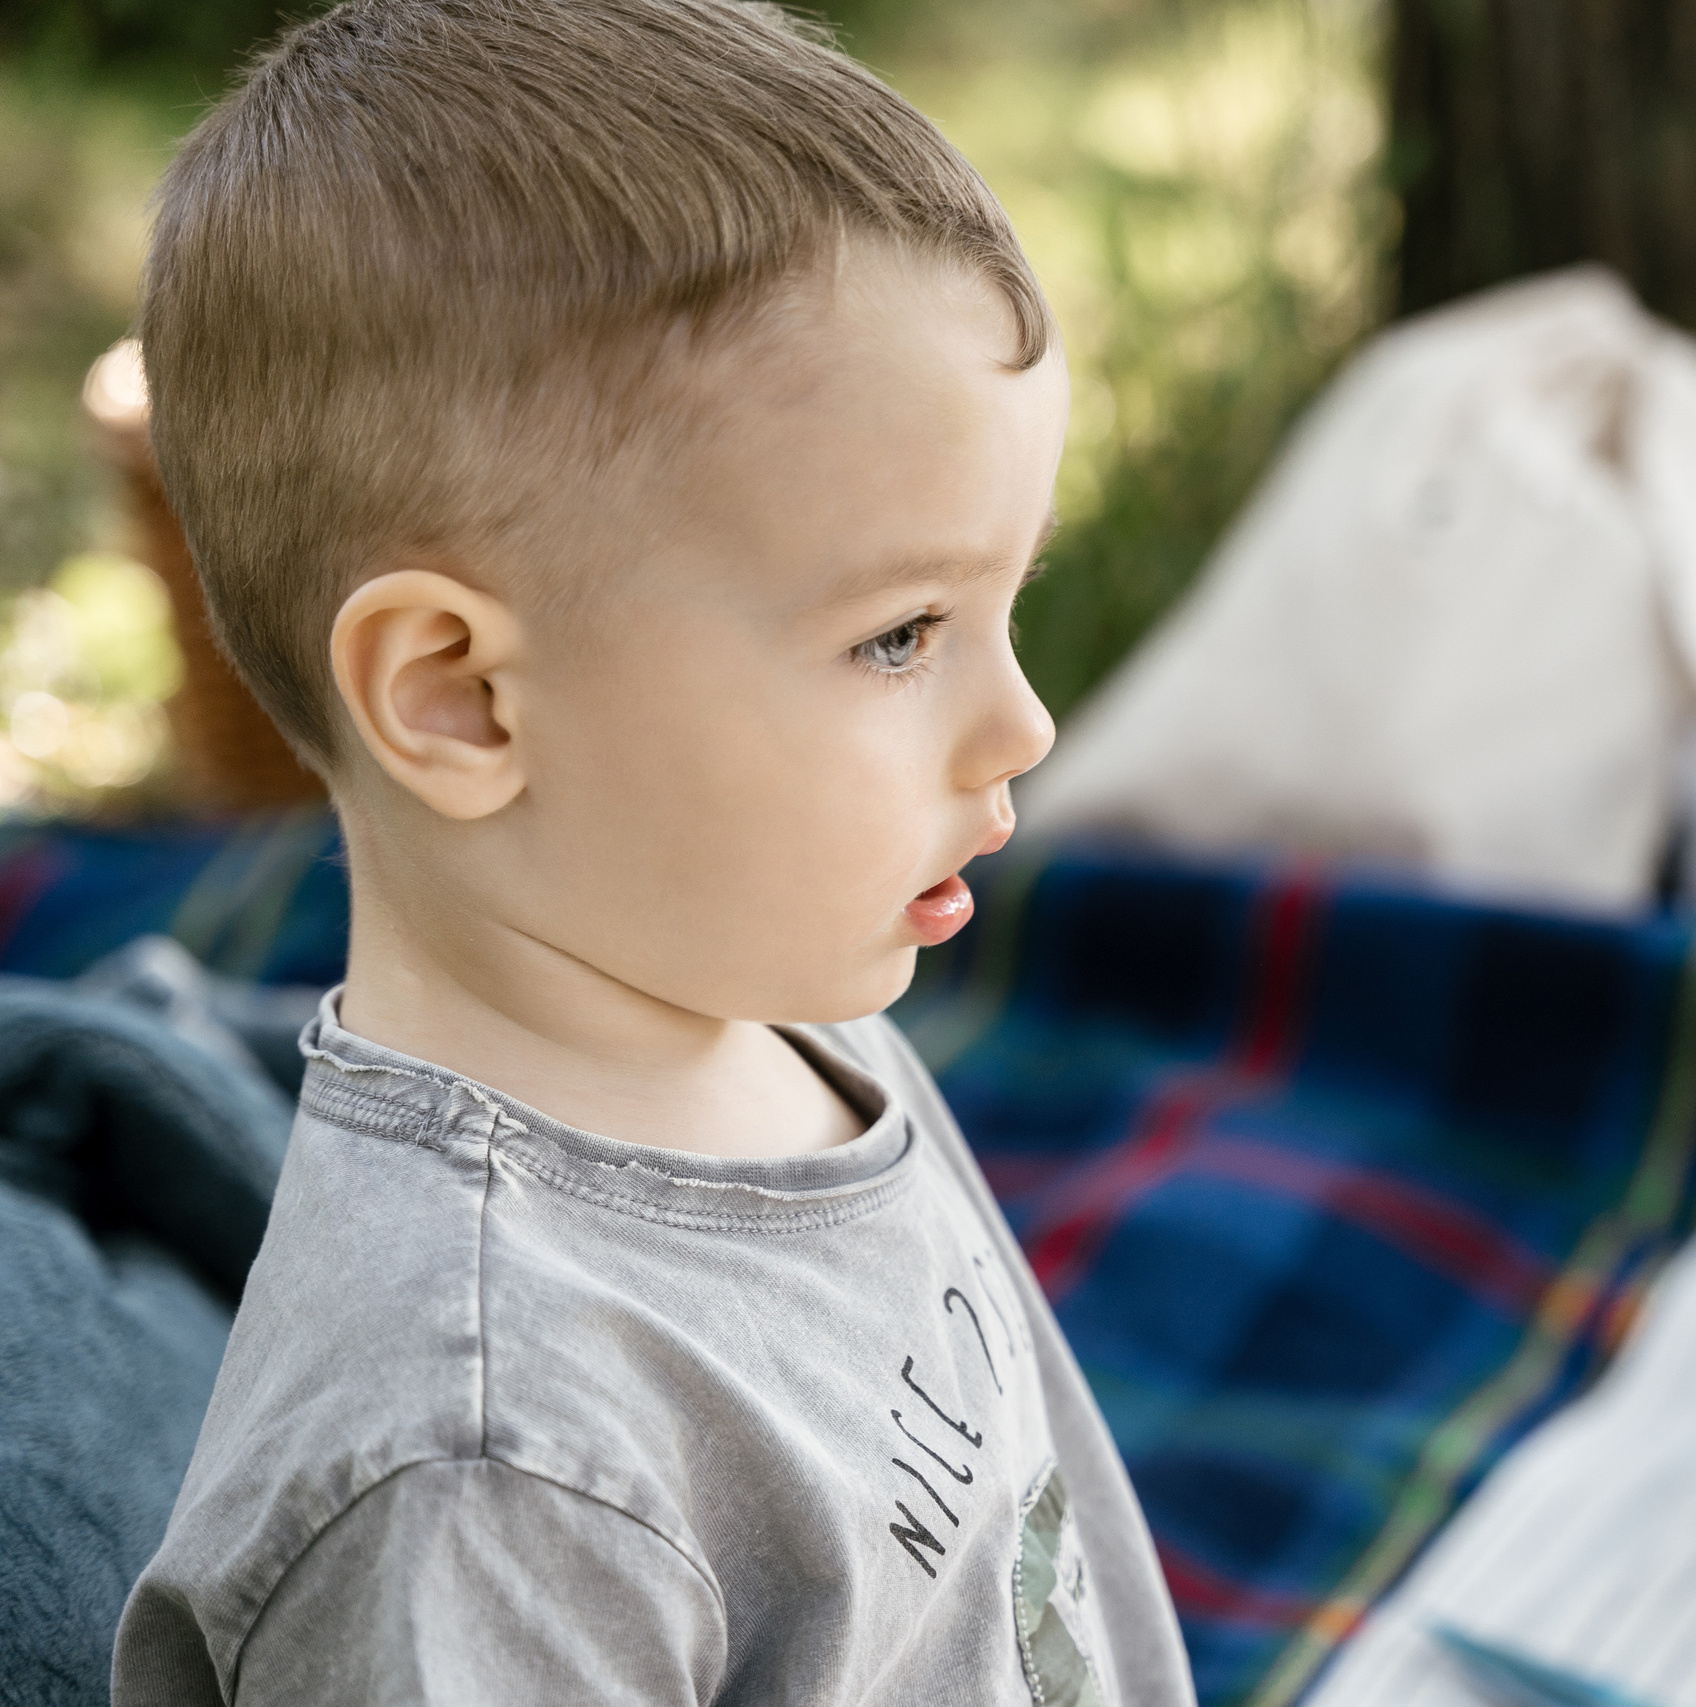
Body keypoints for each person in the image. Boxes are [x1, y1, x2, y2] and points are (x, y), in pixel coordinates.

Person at [108, 2, 1193, 1702]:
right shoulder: (483, 1478)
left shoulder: (767, 997)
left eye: (1007, 604)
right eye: (903, 634)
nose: (1025, 727)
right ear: (463, 700)